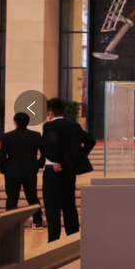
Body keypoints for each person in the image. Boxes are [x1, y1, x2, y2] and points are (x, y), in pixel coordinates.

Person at [41, 98, 95, 242]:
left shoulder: (48, 126)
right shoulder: (74, 126)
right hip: (69, 171)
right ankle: (73, 240)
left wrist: (58, 162)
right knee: (69, 205)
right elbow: (90, 141)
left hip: (53, 171)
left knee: (52, 208)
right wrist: (76, 159)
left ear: (50, 113)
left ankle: (54, 242)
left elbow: (50, 145)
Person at [0, 112, 45, 227]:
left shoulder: (7, 136)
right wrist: (40, 163)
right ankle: (38, 221)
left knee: (12, 198)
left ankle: (10, 224)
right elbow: (44, 151)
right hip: (30, 170)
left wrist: (3, 168)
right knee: (32, 196)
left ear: (15, 122)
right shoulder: (36, 135)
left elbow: (2, 155)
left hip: (12, 171)